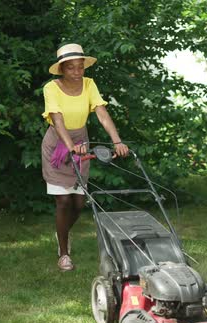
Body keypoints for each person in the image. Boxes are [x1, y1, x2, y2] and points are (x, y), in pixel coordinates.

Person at [41, 43, 129, 271]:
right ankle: (63, 253)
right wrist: (70, 147)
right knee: (63, 200)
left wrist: (117, 140)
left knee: (79, 202)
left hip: (81, 142)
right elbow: (57, 119)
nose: (77, 72)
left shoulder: (89, 85)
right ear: (61, 69)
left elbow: (101, 113)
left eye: (80, 67)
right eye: (71, 68)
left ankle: (62, 233)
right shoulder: (52, 88)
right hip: (58, 145)